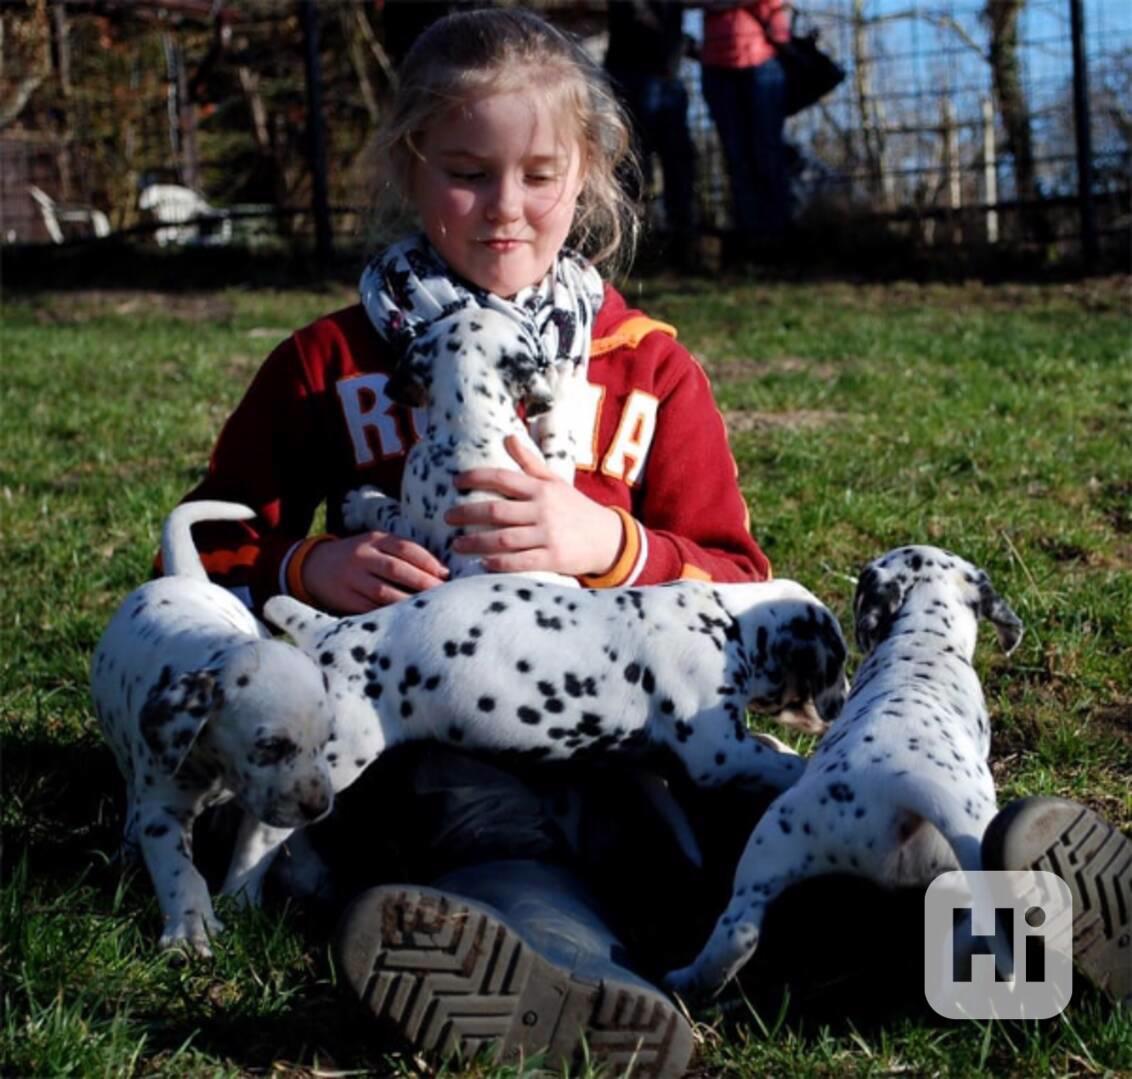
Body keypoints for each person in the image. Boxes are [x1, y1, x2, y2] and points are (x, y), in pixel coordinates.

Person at [176, 9, 772, 1076]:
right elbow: (206, 549)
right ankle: (557, 969)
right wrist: (305, 566)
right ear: (409, 167)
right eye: (466, 173)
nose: (506, 209)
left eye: (539, 175)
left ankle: (933, 917)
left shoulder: (648, 367)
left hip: (618, 724)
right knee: (470, 816)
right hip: (416, 734)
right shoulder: (326, 362)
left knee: (700, 811)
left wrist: (611, 543)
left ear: (587, 172)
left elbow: (738, 579)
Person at [604, 1, 697, 265]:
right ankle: (635, 246)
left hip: (664, 73)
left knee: (677, 162)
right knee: (633, 163)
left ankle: (680, 241)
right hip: (634, 71)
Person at [699, 0, 792, 260]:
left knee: (767, 152)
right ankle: (752, 240)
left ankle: (779, 237)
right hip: (717, 65)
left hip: (761, 59)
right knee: (736, 158)